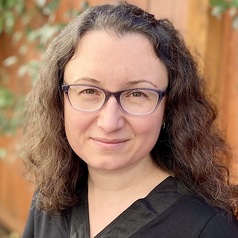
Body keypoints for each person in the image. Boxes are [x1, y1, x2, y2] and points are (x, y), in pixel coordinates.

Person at [21, 2, 238, 238]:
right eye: (89, 91)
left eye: (137, 94)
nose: (109, 122)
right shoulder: (49, 198)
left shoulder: (209, 229)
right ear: (59, 101)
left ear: (170, 107)